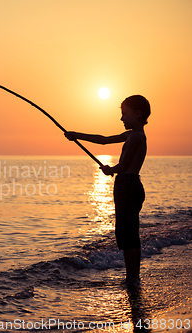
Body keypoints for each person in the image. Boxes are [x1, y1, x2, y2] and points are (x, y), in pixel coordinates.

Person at [65, 95, 151, 284]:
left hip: (127, 185)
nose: (121, 118)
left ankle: (132, 278)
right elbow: (103, 140)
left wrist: (109, 170)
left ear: (137, 114)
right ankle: (134, 277)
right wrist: (76, 135)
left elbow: (123, 165)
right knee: (131, 232)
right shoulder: (132, 135)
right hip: (131, 184)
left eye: (124, 114)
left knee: (126, 234)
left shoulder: (136, 136)